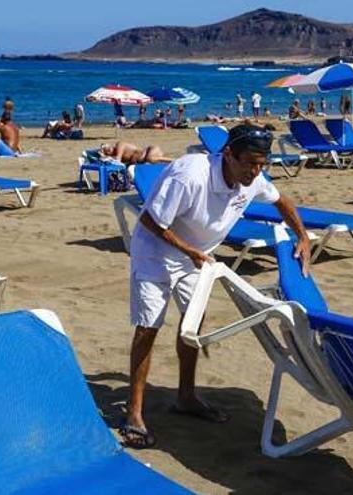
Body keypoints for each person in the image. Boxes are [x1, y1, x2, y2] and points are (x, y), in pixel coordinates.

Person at [121, 123, 311, 448]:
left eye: (261, 164)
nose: (255, 171)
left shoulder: (252, 178)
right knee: (148, 328)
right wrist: (190, 251)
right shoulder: (189, 175)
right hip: (155, 251)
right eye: (250, 163)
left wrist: (303, 236)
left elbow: (282, 202)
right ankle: (134, 413)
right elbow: (151, 221)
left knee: (192, 324)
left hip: (196, 257)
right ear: (228, 155)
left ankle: (185, 397)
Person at [99, 141, 172, 165]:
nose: (108, 149)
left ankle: (174, 160)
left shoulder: (119, 144)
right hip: (144, 160)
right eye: (106, 151)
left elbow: (118, 159)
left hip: (150, 151)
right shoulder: (114, 156)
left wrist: (105, 157)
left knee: (150, 158)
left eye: (108, 147)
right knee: (150, 160)